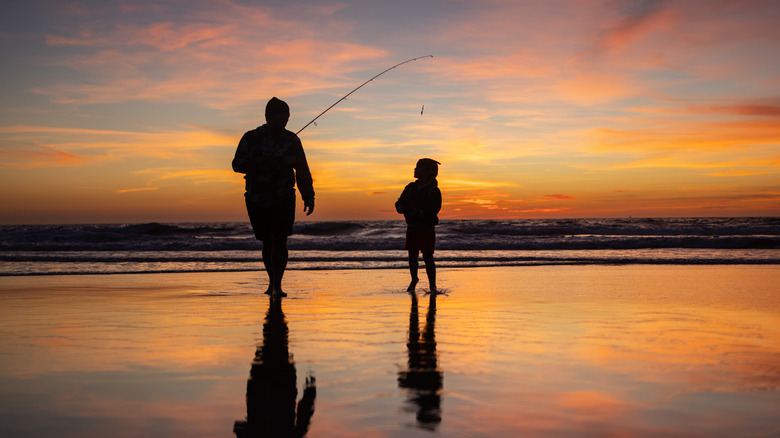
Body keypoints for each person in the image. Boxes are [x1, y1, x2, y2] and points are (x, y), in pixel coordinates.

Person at [232, 97, 315, 297]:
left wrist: (308, 195)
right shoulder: (251, 137)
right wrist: (255, 162)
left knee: (280, 238)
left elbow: (302, 170)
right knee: (267, 241)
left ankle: (277, 285)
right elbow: (236, 165)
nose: (283, 123)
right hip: (256, 197)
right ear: (268, 117)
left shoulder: (292, 140)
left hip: (283, 196)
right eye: (279, 119)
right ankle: (272, 283)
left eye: (285, 119)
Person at [395, 158, 442, 293]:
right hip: (412, 227)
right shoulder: (410, 187)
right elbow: (399, 202)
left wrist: (419, 212)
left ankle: (432, 285)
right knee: (412, 255)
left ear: (428, 172)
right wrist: (401, 207)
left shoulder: (433, 190)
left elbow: (434, 210)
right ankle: (414, 278)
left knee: (427, 256)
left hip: (426, 227)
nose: (415, 170)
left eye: (418, 167)